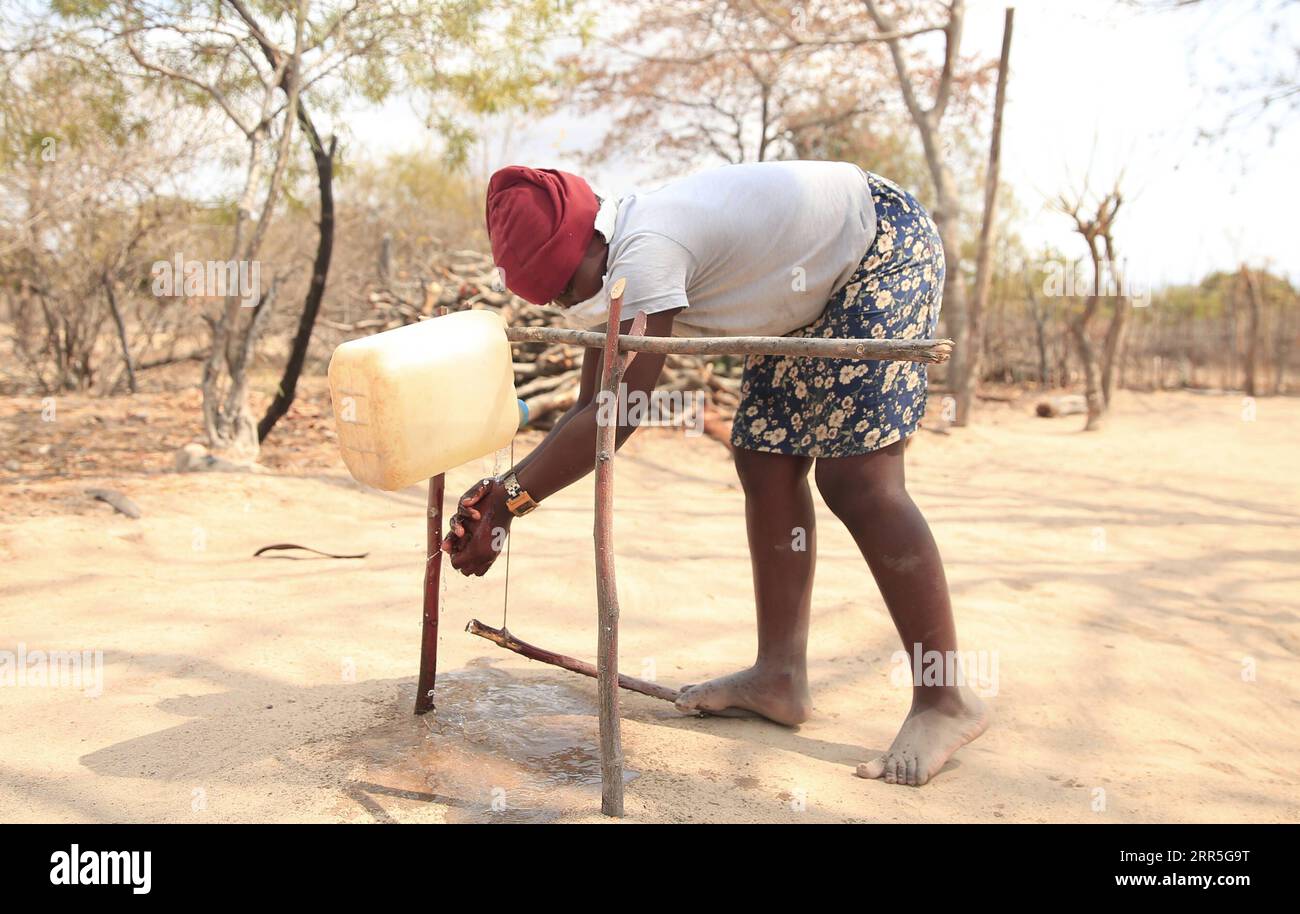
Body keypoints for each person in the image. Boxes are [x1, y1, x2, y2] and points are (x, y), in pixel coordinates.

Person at [442, 161, 987, 787]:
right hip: (807, 292)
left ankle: (946, 699)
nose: (576, 303)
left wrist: (509, 502)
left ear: (592, 241)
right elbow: (589, 407)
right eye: (561, 299)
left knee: (857, 481)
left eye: (572, 286)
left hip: (879, 247)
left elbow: (617, 415)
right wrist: (502, 497)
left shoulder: (644, 253)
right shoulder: (613, 265)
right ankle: (779, 676)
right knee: (765, 460)